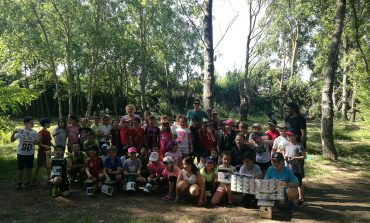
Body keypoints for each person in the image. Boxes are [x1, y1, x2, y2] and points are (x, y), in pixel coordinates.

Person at [10, 117, 39, 190]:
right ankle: (19, 183)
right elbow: (12, 140)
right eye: (31, 122)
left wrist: (38, 140)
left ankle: (28, 182)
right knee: (20, 169)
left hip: (30, 154)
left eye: (33, 122)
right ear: (25, 123)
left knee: (29, 169)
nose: (33, 124)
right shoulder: (21, 131)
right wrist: (14, 133)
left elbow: (35, 143)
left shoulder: (34, 132)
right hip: (21, 153)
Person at [284, 128, 306, 207]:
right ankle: (289, 198)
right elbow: (285, 154)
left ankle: (301, 199)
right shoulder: (286, 144)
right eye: (287, 135)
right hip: (288, 168)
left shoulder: (299, 145)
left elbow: (304, 156)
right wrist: (285, 157)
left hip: (297, 168)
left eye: (290, 135)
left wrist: (295, 158)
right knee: (288, 183)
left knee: (299, 184)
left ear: (295, 136)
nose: (288, 136)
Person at [33, 118, 53, 185]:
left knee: (48, 166)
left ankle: (49, 179)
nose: (50, 124)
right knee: (38, 166)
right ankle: (34, 179)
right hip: (41, 152)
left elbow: (49, 141)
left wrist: (54, 146)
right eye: (49, 123)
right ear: (45, 124)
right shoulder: (41, 132)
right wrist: (45, 146)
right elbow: (39, 143)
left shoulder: (48, 132)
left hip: (48, 152)